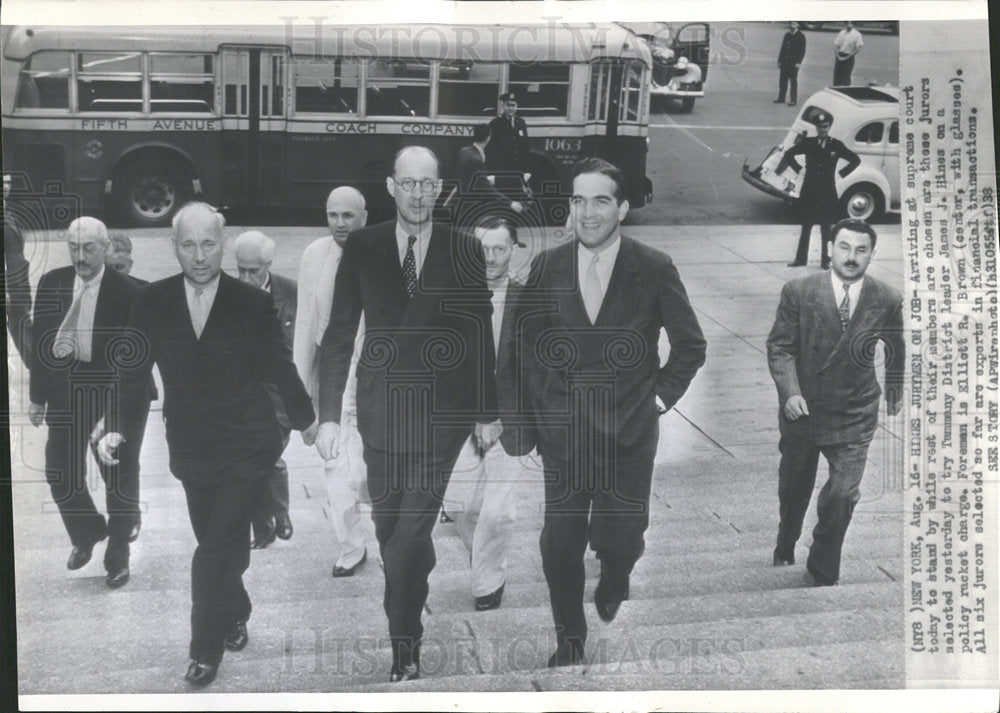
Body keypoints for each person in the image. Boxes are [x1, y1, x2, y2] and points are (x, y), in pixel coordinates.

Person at [97, 202, 315, 687]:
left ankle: (204, 648)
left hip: (247, 445)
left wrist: (307, 420)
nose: (199, 256)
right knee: (217, 543)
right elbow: (131, 371)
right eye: (189, 245)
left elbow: (278, 365)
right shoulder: (152, 301)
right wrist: (113, 423)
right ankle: (236, 607)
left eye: (209, 244)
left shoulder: (251, 301)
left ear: (223, 243)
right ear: (174, 247)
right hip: (192, 449)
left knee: (213, 551)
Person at [314, 146, 498, 681]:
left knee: (404, 540)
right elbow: (339, 334)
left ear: (440, 189)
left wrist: (487, 411)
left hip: (442, 421)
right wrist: (329, 414)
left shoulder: (465, 248)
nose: (418, 194)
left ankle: (405, 646)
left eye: (428, 184)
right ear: (391, 188)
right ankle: (411, 594)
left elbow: (478, 333)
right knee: (395, 530)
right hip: (382, 417)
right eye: (408, 183)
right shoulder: (365, 247)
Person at [518, 158, 706, 667]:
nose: (587, 212)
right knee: (559, 543)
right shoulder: (548, 266)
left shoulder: (654, 266)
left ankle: (618, 572)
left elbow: (689, 346)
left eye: (600, 200)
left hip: (628, 432)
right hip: (566, 435)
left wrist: (658, 398)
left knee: (622, 538)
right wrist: (534, 419)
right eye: (578, 200)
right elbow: (524, 346)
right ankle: (570, 638)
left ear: (622, 206)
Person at [766, 219, 904, 586]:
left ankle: (823, 565)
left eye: (861, 250)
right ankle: (786, 539)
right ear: (829, 248)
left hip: (855, 412)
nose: (852, 257)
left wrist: (894, 390)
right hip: (804, 410)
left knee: (843, 495)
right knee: (794, 487)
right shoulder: (799, 291)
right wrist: (790, 392)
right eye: (844, 247)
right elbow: (780, 347)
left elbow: (896, 347)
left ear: (872, 254)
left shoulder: (886, 298)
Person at [27, 217, 143, 589]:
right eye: (73, 247)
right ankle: (88, 530)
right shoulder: (53, 283)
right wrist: (37, 397)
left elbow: (135, 363)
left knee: (119, 476)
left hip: (116, 388)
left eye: (88, 248)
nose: (80, 256)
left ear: (105, 248)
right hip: (68, 385)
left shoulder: (129, 293)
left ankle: (118, 558)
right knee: (59, 470)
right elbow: (42, 344)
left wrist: (114, 416)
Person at [442, 216, 531, 612]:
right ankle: (483, 557)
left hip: (512, 421)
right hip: (461, 418)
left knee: (498, 512)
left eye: (500, 248)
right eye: (483, 249)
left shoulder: (528, 299)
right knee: (459, 506)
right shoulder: (453, 297)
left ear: (514, 250)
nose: (491, 258)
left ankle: (488, 582)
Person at [293, 186, 371, 578]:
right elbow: (306, 323)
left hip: (374, 376)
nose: (340, 224)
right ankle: (352, 545)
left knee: (369, 471)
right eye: (333, 215)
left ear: (365, 217)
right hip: (333, 375)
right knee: (335, 465)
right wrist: (301, 395)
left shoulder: (381, 254)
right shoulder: (314, 256)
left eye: (348, 215)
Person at [233, 230, 298, 548]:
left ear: (268, 265)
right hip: (241, 397)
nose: (245, 277)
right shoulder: (225, 294)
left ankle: (279, 514)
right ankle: (264, 526)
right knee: (249, 460)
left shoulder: (291, 293)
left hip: (280, 398)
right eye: (240, 269)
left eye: (252, 270)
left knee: (268, 454)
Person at [776, 111, 860, 268]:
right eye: (820, 127)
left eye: (825, 127)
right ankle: (800, 259)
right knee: (806, 227)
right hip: (809, 191)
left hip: (827, 193)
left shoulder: (836, 145)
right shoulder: (809, 143)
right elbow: (789, 154)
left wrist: (841, 174)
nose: (823, 130)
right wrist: (798, 169)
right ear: (816, 128)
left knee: (826, 230)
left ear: (829, 127)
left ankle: (825, 261)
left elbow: (855, 160)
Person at [453, 123, 524, 224]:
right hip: (472, 211)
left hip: (460, 206)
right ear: (488, 138)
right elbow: (486, 189)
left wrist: (485, 179)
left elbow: (467, 177)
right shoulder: (476, 159)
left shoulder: (464, 151)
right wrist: (510, 203)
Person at [3, 185, 33, 367]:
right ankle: (37, 366)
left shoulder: (8, 210)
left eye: (8, 182)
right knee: (20, 323)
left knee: (21, 322)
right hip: (9, 283)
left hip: (18, 279)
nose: (6, 187)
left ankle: (37, 367)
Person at [486, 92, 531, 202]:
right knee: (503, 200)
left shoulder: (521, 123)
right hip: (501, 173)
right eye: (508, 105)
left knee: (517, 201)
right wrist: (491, 173)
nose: (511, 108)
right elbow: (490, 151)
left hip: (517, 173)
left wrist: (527, 171)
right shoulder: (495, 124)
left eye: (513, 105)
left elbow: (525, 148)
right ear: (503, 105)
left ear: (517, 106)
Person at [775, 21, 806, 106]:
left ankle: (793, 100)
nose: (791, 25)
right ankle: (781, 98)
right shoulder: (787, 35)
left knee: (793, 82)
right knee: (783, 81)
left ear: (798, 25)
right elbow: (783, 49)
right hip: (785, 62)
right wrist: (779, 61)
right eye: (790, 24)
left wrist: (798, 62)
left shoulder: (801, 36)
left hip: (793, 63)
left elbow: (802, 51)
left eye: (794, 24)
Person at [833, 21, 863, 86]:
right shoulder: (842, 33)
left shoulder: (857, 35)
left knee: (846, 76)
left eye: (851, 23)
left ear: (854, 25)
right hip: (840, 55)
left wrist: (847, 57)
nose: (848, 25)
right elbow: (836, 45)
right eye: (847, 23)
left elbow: (857, 48)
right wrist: (838, 56)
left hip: (849, 56)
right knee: (837, 76)